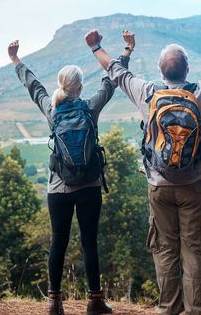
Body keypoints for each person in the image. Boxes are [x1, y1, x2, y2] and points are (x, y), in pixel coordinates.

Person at [84, 13, 201, 315]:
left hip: (159, 186)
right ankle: (196, 310)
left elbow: (116, 71)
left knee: (165, 249)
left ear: (161, 70)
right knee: (194, 249)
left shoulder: (147, 92)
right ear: (187, 69)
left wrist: (96, 47)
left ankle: (168, 310)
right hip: (195, 185)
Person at [8, 39, 133, 315]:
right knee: (90, 242)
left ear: (62, 85)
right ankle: (95, 301)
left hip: (58, 188)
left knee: (58, 242)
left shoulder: (53, 111)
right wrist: (126, 52)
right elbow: (111, 80)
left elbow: (34, 87)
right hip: (89, 186)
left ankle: (54, 302)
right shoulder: (89, 107)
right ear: (79, 86)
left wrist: (16, 60)